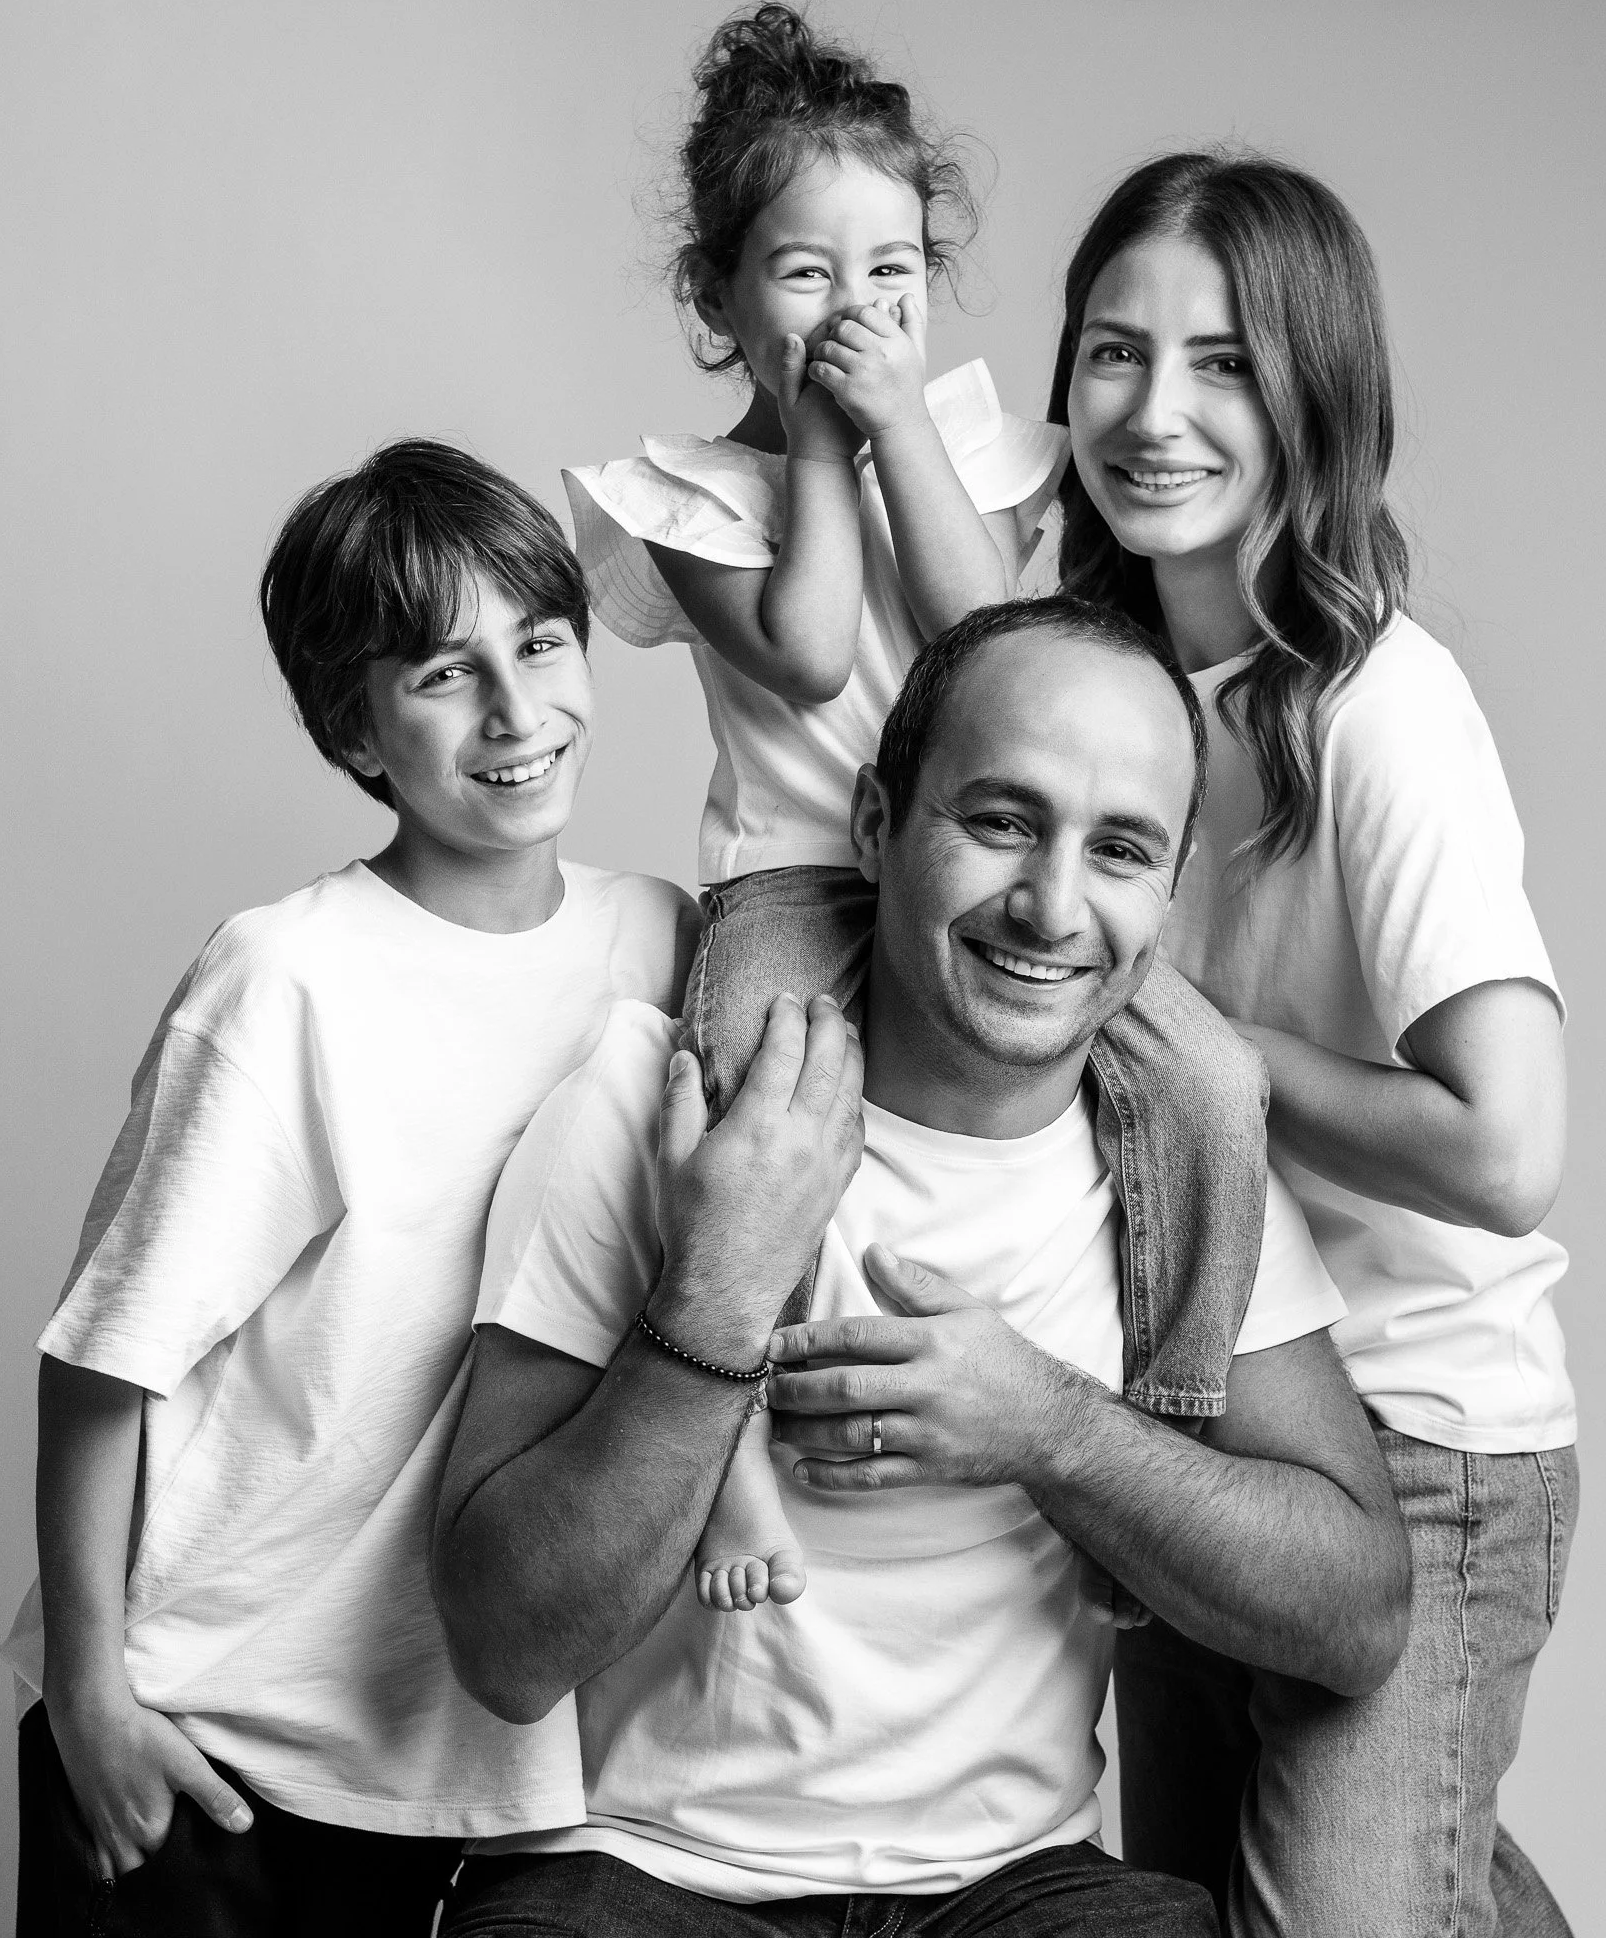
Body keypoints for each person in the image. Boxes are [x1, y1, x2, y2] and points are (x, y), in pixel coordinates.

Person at [429, 599, 1413, 1937]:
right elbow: (502, 1642)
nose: (1053, 905)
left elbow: (1357, 1611)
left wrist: (1050, 1428)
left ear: (1167, 897)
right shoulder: (652, 1099)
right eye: (1001, 820)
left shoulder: (1183, 1167)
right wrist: (715, 1294)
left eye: (1119, 851)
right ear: (879, 825)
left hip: (1016, 1891)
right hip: (644, 1874)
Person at [562, 0, 1272, 1632]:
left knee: (1214, 1081)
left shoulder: (966, 449)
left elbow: (979, 643)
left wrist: (893, 431)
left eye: (891, 276)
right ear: (720, 299)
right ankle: (725, 1445)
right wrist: (821, 438)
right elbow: (813, 652)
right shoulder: (673, 495)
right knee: (734, 1114)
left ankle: (1162, 1428)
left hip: (970, 867)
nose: (855, 310)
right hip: (794, 889)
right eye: (805, 275)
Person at [0, 441, 698, 1937]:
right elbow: (99, 1357)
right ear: (358, 730)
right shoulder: (291, 977)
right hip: (204, 1738)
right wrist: (89, 1697)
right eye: (446, 674)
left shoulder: (667, 942)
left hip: (462, 1769)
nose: (517, 712)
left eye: (543, 642)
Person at [1050, 148, 1579, 1935]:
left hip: (1421, 1447)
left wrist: (1203, 1038)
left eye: (1221, 365)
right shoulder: (1112, 701)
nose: (1154, 412)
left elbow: (1508, 1152)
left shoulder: (1380, 707)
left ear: (1312, 400)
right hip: (1218, 1422)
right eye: (1114, 352)